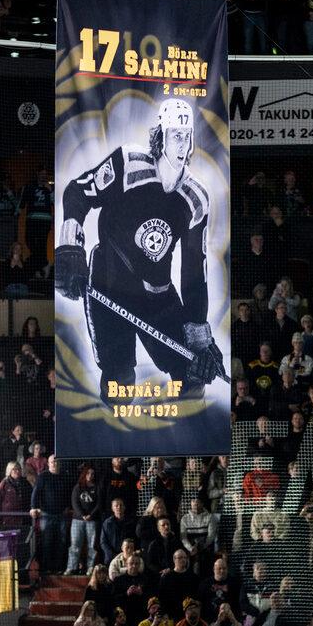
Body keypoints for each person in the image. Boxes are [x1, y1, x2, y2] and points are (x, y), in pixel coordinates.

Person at [54, 99, 224, 403]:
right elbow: (79, 191)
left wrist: (199, 334)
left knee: (192, 379)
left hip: (157, 296)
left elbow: (194, 272)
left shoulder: (196, 197)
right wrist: (70, 246)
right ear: (160, 135)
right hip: (109, 284)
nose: (182, 143)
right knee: (120, 386)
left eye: (186, 135)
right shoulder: (129, 162)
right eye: (175, 135)